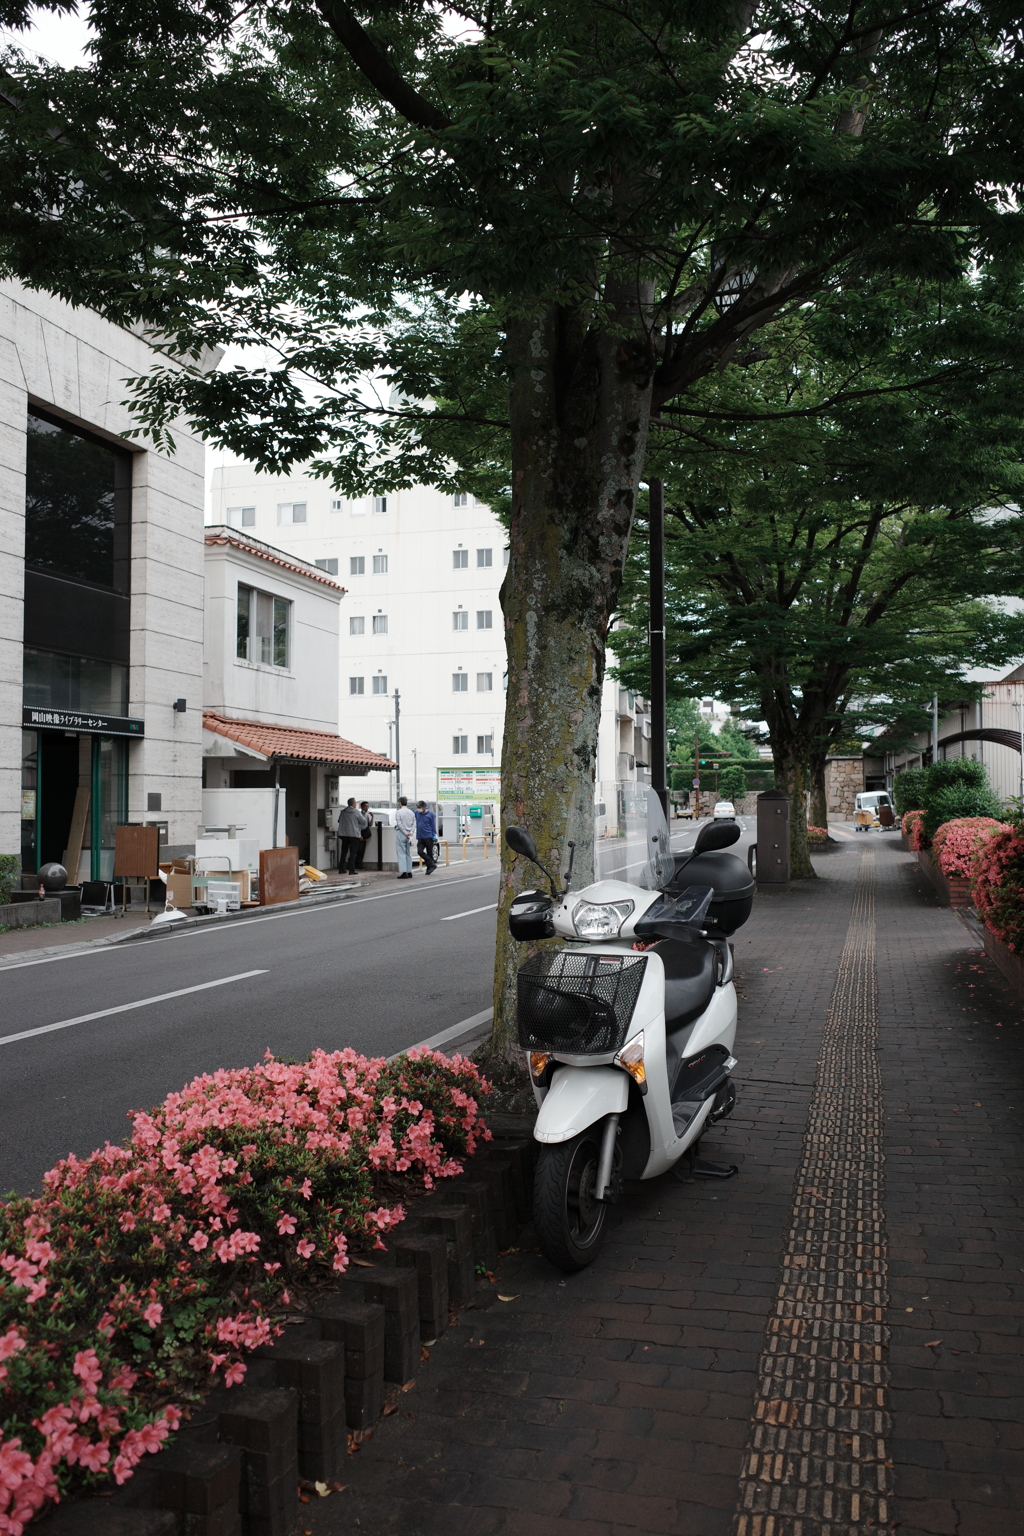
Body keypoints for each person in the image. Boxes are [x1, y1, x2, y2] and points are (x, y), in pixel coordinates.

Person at [336, 797, 364, 875]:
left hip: (344, 835)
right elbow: (363, 821)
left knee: (344, 852)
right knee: (353, 853)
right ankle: (351, 870)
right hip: (354, 835)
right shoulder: (356, 812)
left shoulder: (343, 812)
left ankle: (341, 869)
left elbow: (339, 820)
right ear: (353, 804)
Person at [394, 796, 416, 878]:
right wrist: (411, 833)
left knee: (401, 853)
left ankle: (404, 872)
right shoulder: (411, 812)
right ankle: (409, 871)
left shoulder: (399, 812)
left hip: (401, 834)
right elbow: (414, 823)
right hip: (410, 835)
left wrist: (405, 833)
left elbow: (399, 825)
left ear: (400, 803)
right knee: (408, 853)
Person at [415, 800, 438, 874]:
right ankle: (431, 864)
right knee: (420, 851)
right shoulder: (416, 813)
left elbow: (433, 825)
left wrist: (434, 834)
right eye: (418, 807)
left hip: (428, 836)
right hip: (420, 836)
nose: (419, 809)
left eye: (420, 807)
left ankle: (429, 869)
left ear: (424, 807)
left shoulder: (430, 814)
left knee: (429, 853)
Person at [355, 801, 374, 869]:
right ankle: (357, 864)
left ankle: (359, 864)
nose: (367, 808)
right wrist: (359, 835)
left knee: (362, 850)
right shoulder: (359, 814)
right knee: (359, 850)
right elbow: (357, 826)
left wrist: (372, 817)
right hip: (360, 833)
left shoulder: (367, 815)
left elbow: (370, 824)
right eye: (365, 806)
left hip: (365, 833)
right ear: (362, 807)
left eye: (367, 806)